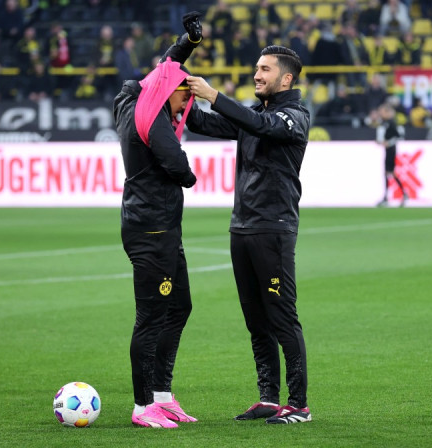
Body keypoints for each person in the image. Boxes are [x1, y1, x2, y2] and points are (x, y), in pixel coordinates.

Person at [185, 45, 312, 424]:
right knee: (256, 320)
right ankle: (269, 398)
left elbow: (262, 126)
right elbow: (203, 124)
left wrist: (214, 95)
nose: (256, 74)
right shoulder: (256, 114)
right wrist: (176, 94)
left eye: (265, 69)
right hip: (241, 226)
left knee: (282, 317)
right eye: (257, 68)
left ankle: (299, 405)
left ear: (285, 78)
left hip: (273, 227)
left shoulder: (294, 116)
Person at [112, 12, 203, 429]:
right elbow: (180, 168)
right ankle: (142, 404)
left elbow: (164, 68)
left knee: (179, 306)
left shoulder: (134, 103)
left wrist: (188, 42)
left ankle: (162, 396)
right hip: (152, 228)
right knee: (151, 318)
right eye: (186, 95)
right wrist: (190, 176)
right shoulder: (154, 123)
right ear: (169, 91)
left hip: (155, 225)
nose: (188, 104)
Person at [375, 103, 407, 207]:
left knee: (389, 172)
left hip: (391, 150)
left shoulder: (391, 123)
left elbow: (398, 136)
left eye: (383, 111)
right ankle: (396, 195)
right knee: (389, 173)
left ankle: (390, 197)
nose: (381, 113)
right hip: (388, 149)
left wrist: (388, 142)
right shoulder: (385, 123)